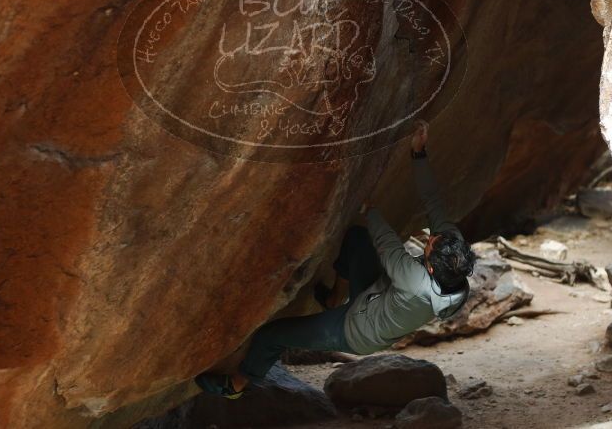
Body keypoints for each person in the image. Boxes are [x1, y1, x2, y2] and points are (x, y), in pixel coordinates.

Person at [195, 121, 477, 398]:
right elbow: (433, 201)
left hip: (356, 331)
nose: (431, 239)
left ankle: (237, 385)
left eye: (428, 246)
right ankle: (334, 298)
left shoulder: (416, 283)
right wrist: (418, 153)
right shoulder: (453, 256)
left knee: (271, 335)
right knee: (356, 239)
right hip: (374, 298)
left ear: (429, 267)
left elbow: (389, 247)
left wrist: (372, 210)